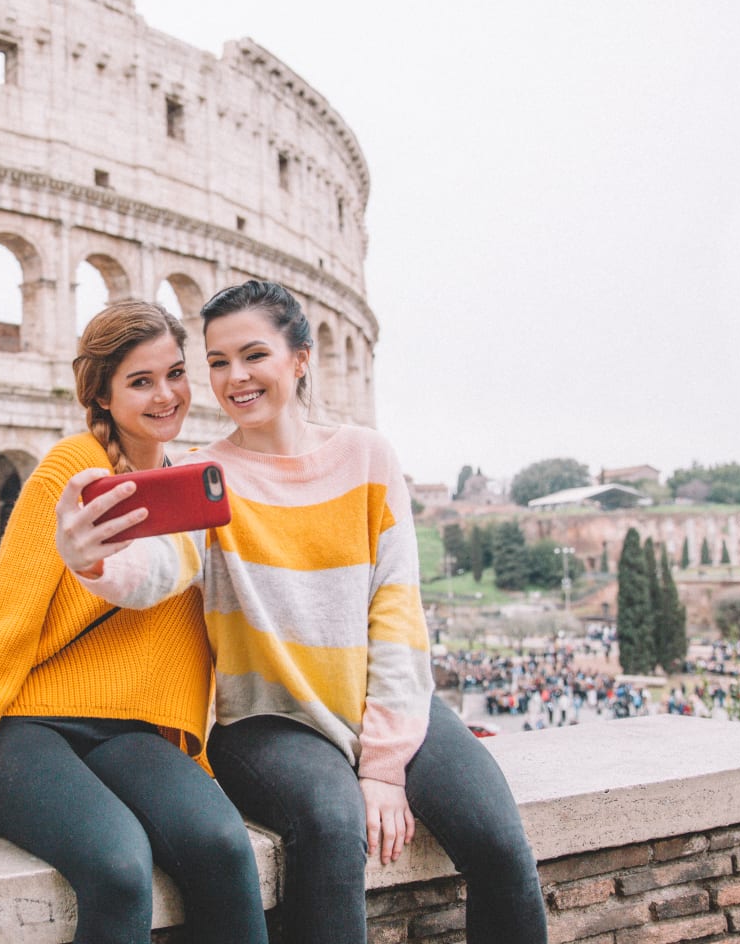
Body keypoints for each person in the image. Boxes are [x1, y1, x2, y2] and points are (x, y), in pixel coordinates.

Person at [56, 280, 547, 944]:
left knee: (498, 844)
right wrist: (92, 560)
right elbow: (159, 568)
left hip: (380, 695)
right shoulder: (208, 474)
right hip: (271, 718)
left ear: (300, 357)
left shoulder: (369, 456)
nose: (235, 378)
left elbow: (396, 607)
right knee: (331, 827)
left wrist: (380, 766)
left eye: (252, 355)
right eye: (219, 362)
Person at [0, 300, 269, 944]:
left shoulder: (194, 484)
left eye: (175, 373)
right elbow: (6, 622)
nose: (165, 394)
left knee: (225, 849)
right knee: (119, 867)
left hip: (133, 734)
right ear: (103, 395)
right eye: (140, 382)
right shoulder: (71, 470)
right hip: (25, 728)